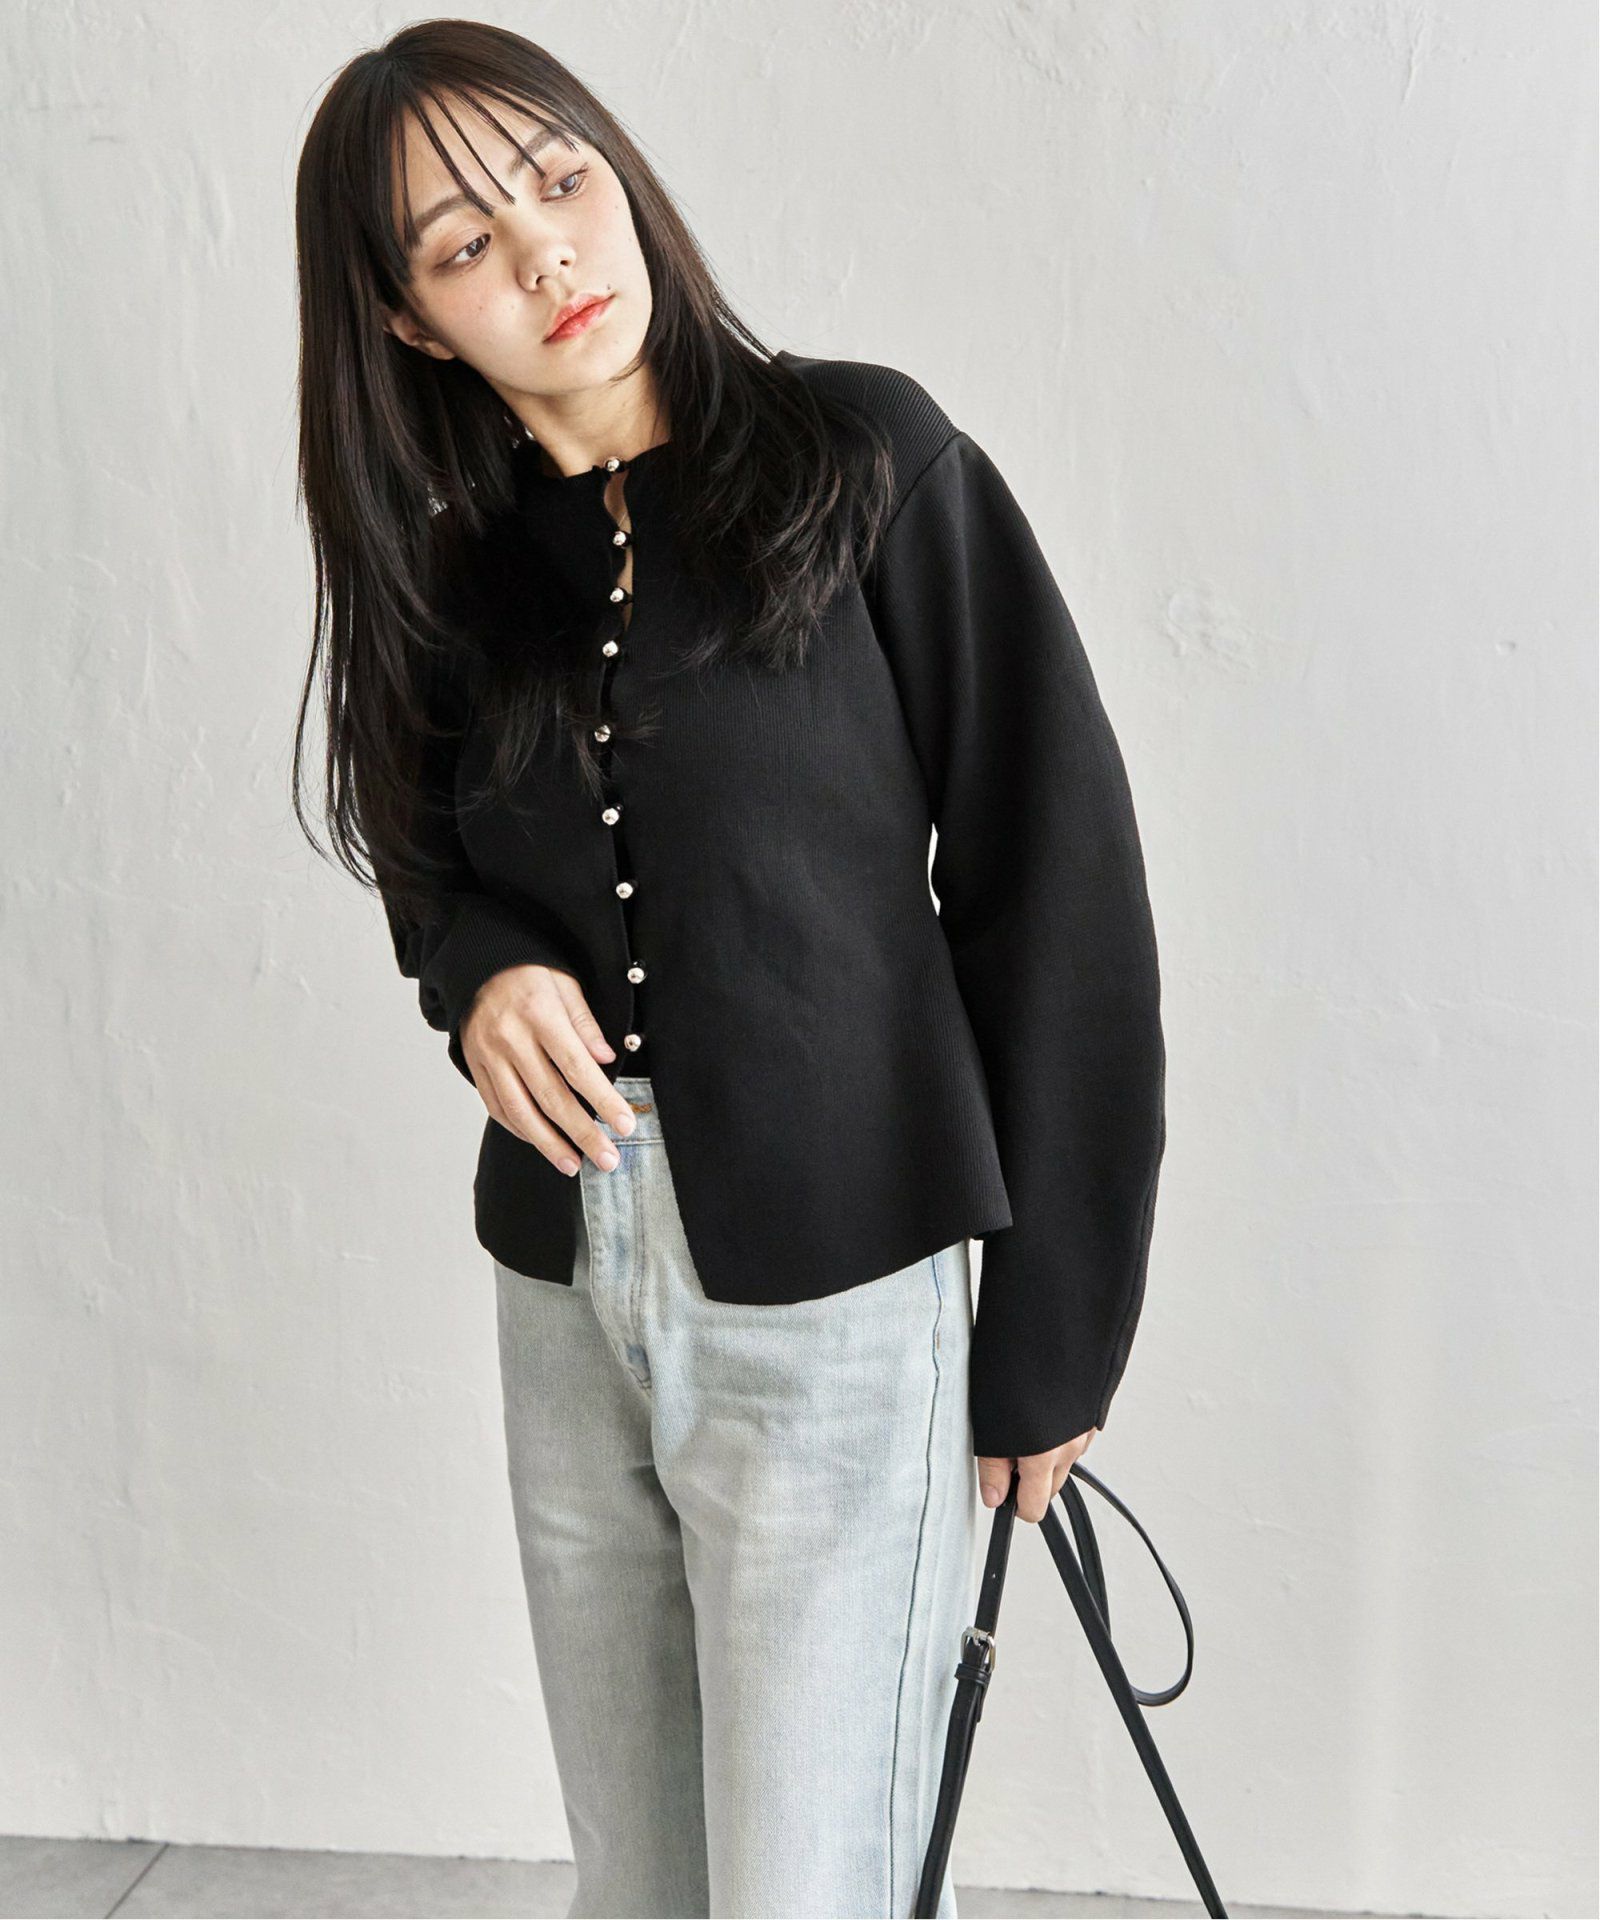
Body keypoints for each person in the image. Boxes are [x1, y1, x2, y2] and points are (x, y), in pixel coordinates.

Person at [291, 19, 1166, 1918]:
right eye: (462, 243)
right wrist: (479, 981)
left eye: (557, 179)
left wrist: (1053, 1338)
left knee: (806, 1887)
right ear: (412, 325)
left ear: (619, 176)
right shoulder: (450, 572)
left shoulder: (870, 458)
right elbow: (430, 865)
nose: (542, 250)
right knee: (640, 1886)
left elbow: (1057, 888)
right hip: (564, 1291)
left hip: (844, 1299)